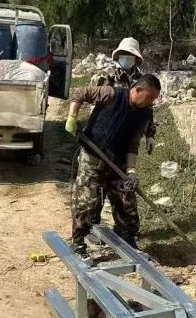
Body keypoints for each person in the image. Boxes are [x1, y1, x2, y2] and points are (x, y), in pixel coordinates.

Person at [65, 73, 162, 255]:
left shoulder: (144, 113)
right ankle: (78, 243)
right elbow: (80, 93)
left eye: (154, 99)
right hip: (93, 157)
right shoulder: (112, 94)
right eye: (150, 97)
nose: (152, 102)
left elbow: (133, 145)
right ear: (138, 90)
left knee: (127, 200)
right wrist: (72, 117)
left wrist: (131, 171)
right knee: (87, 202)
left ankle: (127, 238)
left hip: (118, 162)